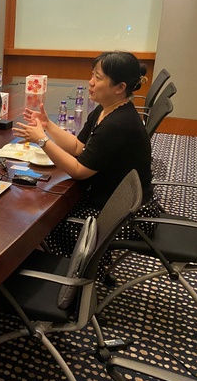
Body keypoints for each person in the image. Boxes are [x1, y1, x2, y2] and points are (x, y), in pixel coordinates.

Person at [12, 51, 159, 257]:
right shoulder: (105, 111)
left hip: (126, 215)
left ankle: (62, 270)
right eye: (92, 75)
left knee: (40, 222)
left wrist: (41, 140)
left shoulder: (118, 124)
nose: (90, 82)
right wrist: (47, 125)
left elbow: (79, 171)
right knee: (42, 207)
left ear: (119, 88)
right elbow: (77, 147)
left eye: (98, 78)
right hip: (111, 201)